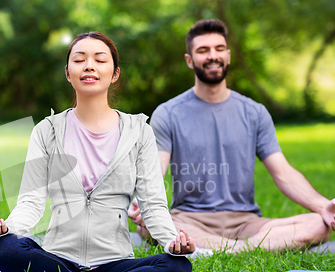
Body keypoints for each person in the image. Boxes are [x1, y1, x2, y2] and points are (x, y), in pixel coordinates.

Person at [0, 32, 194, 272]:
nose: (89, 66)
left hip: (115, 261)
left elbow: (152, 205)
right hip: (57, 259)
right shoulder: (47, 131)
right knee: (7, 249)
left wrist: (172, 243)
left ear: (114, 73)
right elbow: (31, 202)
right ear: (68, 73)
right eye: (79, 59)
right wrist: (6, 229)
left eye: (100, 60)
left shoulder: (139, 132)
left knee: (177, 268)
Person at [129, 19, 335, 252]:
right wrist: (143, 200)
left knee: (318, 225)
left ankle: (225, 248)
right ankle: (249, 249)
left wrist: (323, 206)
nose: (212, 56)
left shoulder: (254, 112)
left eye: (218, 49)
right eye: (203, 50)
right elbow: (156, 169)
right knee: (149, 225)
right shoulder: (168, 113)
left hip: (245, 222)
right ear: (189, 60)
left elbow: (284, 173)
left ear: (228, 55)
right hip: (189, 219)